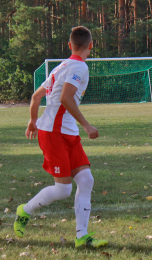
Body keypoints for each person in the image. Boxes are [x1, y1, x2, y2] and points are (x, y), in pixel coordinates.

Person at [14, 26, 108, 248]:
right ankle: (24, 210)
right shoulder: (79, 67)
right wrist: (86, 124)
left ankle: (82, 237)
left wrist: (32, 119)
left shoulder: (61, 67)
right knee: (63, 190)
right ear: (91, 45)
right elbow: (66, 98)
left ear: (69, 45)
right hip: (54, 133)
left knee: (86, 180)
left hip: (66, 132)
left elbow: (36, 97)